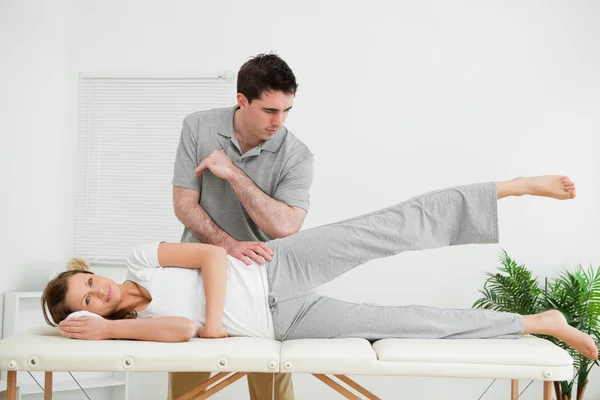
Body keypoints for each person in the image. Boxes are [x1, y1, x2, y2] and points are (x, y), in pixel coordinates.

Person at [43, 175, 598, 365]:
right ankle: (538, 322)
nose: (99, 290)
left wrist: (214, 320)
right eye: (88, 300)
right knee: (413, 322)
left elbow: (212, 255)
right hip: (285, 322)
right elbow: (183, 331)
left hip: (275, 269)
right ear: (84, 319)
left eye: (89, 280)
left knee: (393, 225)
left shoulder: (141, 259)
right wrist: (111, 328)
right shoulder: (126, 326)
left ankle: (515, 188)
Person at [170, 53, 313, 399]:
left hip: (262, 280)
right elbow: (184, 205)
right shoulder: (198, 127)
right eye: (269, 110)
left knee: (270, 386)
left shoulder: (297, 155)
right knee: (188, 386)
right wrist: (228, 246)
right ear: (242, 100)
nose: (279, 121)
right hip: (198, 271)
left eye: (287, 111)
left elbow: (286, 225)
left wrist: (233, 173)